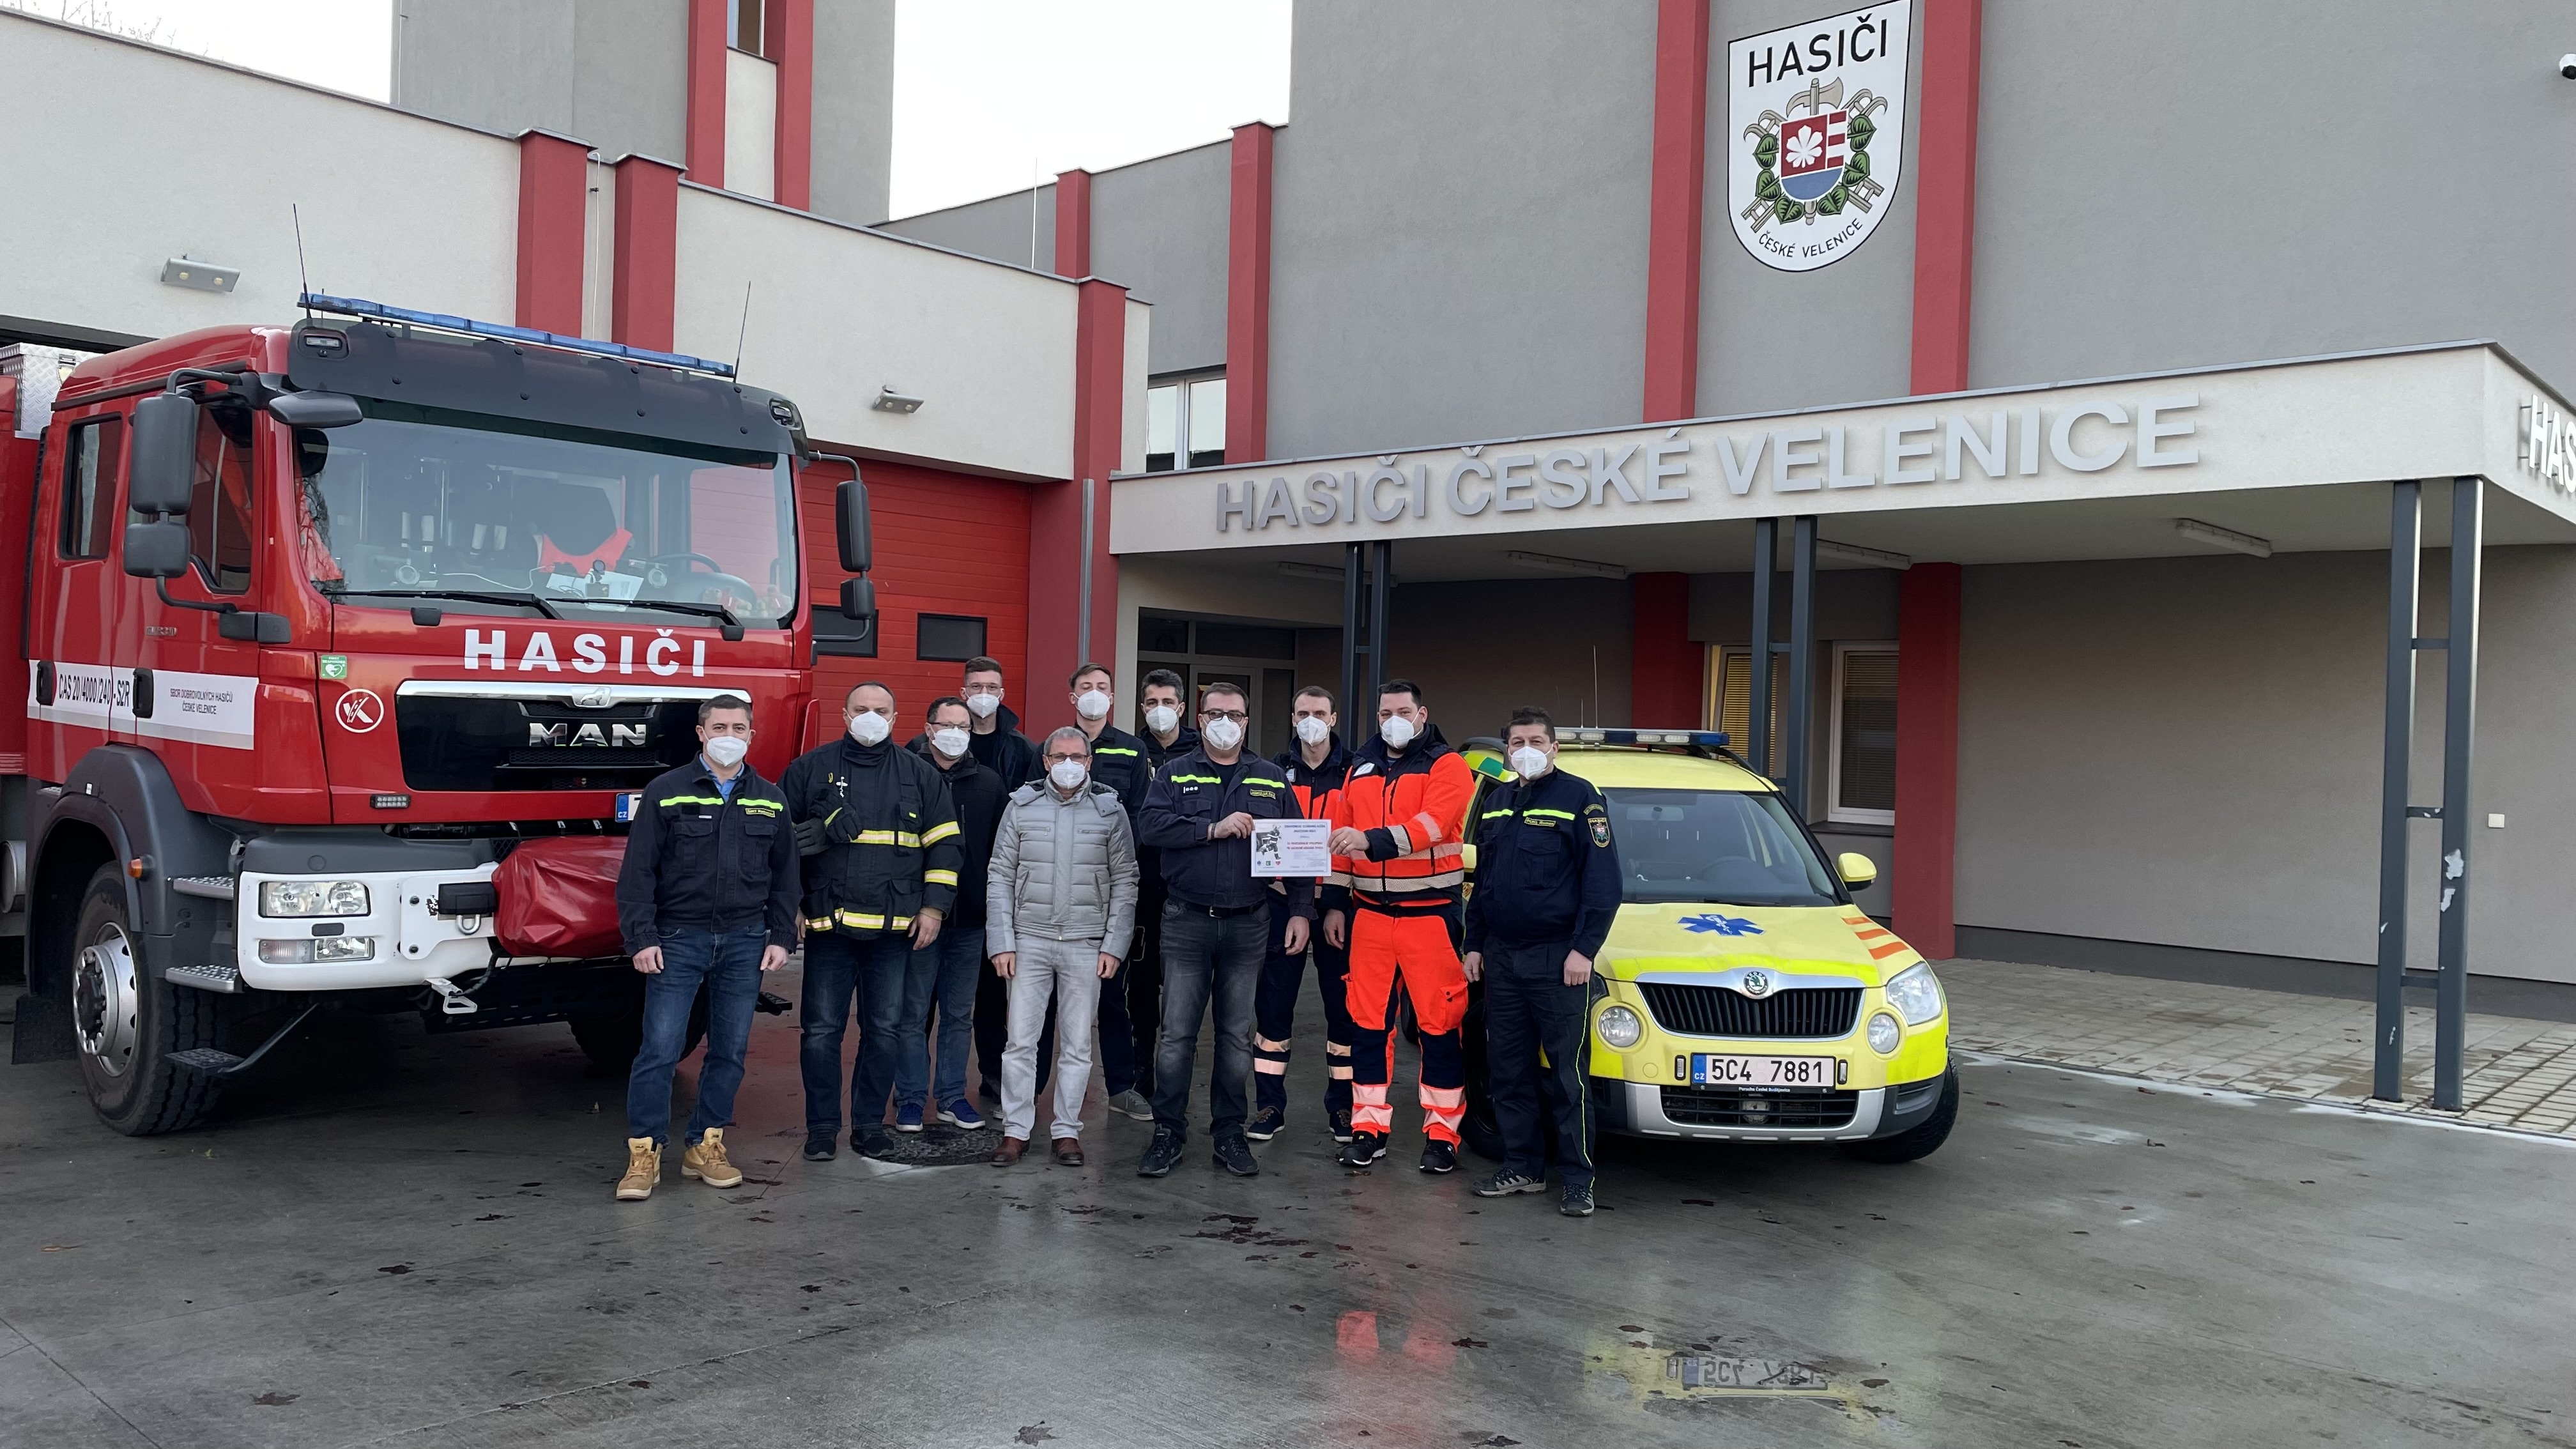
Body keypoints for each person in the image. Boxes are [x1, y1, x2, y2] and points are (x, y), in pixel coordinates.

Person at [611, 694, 798, 1202]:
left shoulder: (771, 798)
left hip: (744, 941)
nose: (729, 736)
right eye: (719, 727)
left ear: (752, 735)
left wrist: (782, 936)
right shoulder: (666, 791)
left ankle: (705, 1145)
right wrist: (641, 937)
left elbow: (786, 877)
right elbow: (637, 872)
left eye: (739, 728)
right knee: (660, 1049)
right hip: (678, 939)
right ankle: (645, 1152)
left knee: (730, 1050)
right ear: (700, 733)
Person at [1132, 681, 1312, 1177]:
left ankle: (1229, 1133)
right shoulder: (1175, 773)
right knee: (1177, 1036)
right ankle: (1168, 1132)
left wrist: (1301, 910)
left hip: (1249, 923)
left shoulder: (1270, 778)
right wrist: (1211, 829)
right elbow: (1150, 828)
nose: (1225, 723)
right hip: (1187, 921)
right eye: (1215, 714)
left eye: (1234, 715)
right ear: (1201, 719)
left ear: (1247, 722)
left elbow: (1299, 848)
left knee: (1235, 1036)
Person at [784, 682, 963, 1162]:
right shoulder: (809, 770)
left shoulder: (920, 775)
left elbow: (946, 845)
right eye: (861, 709)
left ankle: (867, 1125)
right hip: (828, 928)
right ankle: (822, 1128)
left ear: (895, 717)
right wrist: (792, 906)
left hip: (893, 931)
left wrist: (933, 908)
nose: (870, 717)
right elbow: (778, 848)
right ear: (845, 716)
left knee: (884, 1031)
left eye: (880, 710)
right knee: (821, 1032)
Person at [1462, 707, 1620, 1218]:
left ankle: (1577, 1179)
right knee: (1508, 1070)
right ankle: (1524, 1166)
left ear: (1554, 747)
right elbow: (1484, 885)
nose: (1526, 750)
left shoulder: (1580, 798)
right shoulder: (1497, 803)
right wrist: (1474, 944)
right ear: (1507, 750)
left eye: (1536, 741)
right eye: (1517, 742)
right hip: (1503, 959)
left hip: (1558, 960)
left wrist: (1584, 950)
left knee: (1568, 1077)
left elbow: (1604, 885)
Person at [1324, 679, 1475, 1174]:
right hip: (1369, 915)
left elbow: (1433, 825)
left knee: (1439, 1027)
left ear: (1421, 715)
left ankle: (1442, 1135)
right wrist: (1335, 903)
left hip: (1429, 916)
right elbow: (1340, 842)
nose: (1394, 720)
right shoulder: (1360, 767)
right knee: (1368, 1027)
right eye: (1385, 712)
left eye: (1403, 711)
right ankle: (1368, 1129)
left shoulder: (1447, 765)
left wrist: (1370, 840)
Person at [985, 727, 1140, 1166]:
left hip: (1085, 943)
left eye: (1077, 757)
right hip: (1029, 940)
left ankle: (1067, 1131)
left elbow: (1126, 880)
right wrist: (1002, 941)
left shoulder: (1110, 811)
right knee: (1020, 1042)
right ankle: (1016, 1130)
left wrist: (1114, 945)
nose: (1068, 764)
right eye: (1060, 757)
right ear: (1046, 761)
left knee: (1077, 1046)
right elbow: (1000, 875)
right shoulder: (1021, 807)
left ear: (1090, 762)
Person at [1250, 685, 1358, 1143]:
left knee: (1344, 1010)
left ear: (1333, 718)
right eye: (1302, 713)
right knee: (1273, 1008)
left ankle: (1343, 1108)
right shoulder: (1273, 772)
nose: (1310, 720)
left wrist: (1335, 903)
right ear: (1292, 718)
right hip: (1281, 902)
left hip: (1339, 906)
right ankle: (1270, 1106)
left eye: (1319, 712)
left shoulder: (1357, 773)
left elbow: (1358, 841)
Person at [894, 696, 1006, 1134]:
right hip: (918, 919)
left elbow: (1001, 853)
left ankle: (952, 1096)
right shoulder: (906, 777)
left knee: (959, 1015)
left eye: (964, 727)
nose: (957, 733)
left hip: (970, 921)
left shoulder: (990, 784)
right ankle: (909, 1099)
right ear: (929, 729)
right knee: (913, 1014)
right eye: (948, 725)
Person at [1066, 663, 1158, 1121]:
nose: (1094, 693)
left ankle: (1121, 1087)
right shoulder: (1057, 746)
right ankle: (1030, 1090)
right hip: (1059, 889)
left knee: (1111, 993)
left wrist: (1116, 865)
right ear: (1072, 697)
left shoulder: (1132, 749)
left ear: (1112, 698)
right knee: (1046, 1002)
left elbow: (1141, 815)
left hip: (1109, 890)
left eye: (1102, 687)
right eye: (1086, 687)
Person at [1110, 668, 1199, 1119]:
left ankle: (1178, 1077)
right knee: (1141, 989)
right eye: (1151, 703)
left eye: (1167, 702)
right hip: (1143, 888)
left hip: (1190, 888)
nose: (1159, 710)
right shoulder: (1132, 752)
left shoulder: (1203, 752)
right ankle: (1142, 1073)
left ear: (1182, 707)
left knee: (1187, 989)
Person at [960, 656, 1041, 787]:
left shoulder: (1024, 749)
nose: (984, 693)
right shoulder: (945, 741)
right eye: (976, 686)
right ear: (964, 693)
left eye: (992, 687)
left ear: (1001, 694)